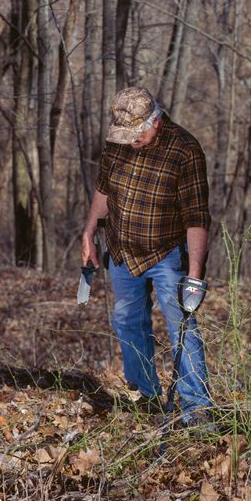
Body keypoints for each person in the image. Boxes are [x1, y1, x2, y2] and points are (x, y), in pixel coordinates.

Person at [81, 86, 213, 424]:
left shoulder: (184, 150)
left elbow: (197, 218)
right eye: (123, 135)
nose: (129, 141)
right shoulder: (119, 143)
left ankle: (197, 408)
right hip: (122, 251)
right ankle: (145, 397)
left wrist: (195, 276)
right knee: (126, 321)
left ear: (154, 121)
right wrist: (89, 233)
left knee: (180, 324)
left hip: (166, 254)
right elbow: (104, 190)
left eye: (134, 135)